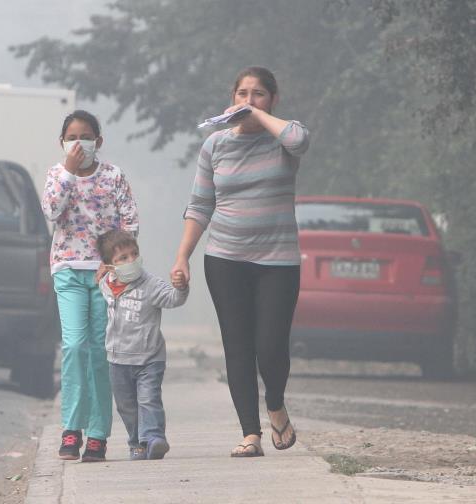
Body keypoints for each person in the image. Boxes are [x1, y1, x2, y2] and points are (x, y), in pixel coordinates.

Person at [171, 66, 310, 457]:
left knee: (270, 347)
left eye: (258, 94)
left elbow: (301, 139)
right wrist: (183, 255)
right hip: (225, 259)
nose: (248, 101)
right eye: (241, 94)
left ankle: (276, 405)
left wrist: (259, 118)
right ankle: (250, 433)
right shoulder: (215, 145)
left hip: (278, 261)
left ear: (273, 100)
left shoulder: (283, 139)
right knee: (238, 346)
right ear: (230, 97)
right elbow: (200, 205)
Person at [42, 110, 139, 462]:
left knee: (99, 351)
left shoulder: (114, 176)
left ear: (98, 141)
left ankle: (97, 434)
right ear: (63, 142)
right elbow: (51, 212)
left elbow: (129, 221)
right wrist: (68, 172)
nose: (78, 142)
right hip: (67, 270)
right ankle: (71, 429)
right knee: (74, 346)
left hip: (104, 275)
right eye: (72, 136)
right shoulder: (56, 174)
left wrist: (111, 263)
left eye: (85, 136)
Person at [96, 230, 188, 461]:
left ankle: (155, 439)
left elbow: (173, 299)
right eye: (122, 258)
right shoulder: (106, 285)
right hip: (117, 360)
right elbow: (101, 283)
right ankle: (136, 443)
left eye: (134, 254)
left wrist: (181, 286)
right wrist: (99, 277)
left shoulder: (150, 285)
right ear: (110, 267)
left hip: (149, 358)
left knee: (148, 399)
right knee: (126, 406)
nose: (131, 261)